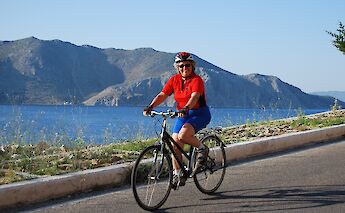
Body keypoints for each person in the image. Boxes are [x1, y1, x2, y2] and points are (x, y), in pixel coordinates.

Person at [143, 52, 211, 189]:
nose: (184, 68)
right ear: (177, 67)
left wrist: (186, 108)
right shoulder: (174, 80)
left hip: (199, 113)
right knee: (174, 144)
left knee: (183, 135)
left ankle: (203, 149)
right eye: (181, 66)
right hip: (183, 114)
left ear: (192, 66)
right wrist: (150, 106)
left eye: (187, 65)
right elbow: (163, 95)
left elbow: (195, 97)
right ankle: (178, 173)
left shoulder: (197, 80)